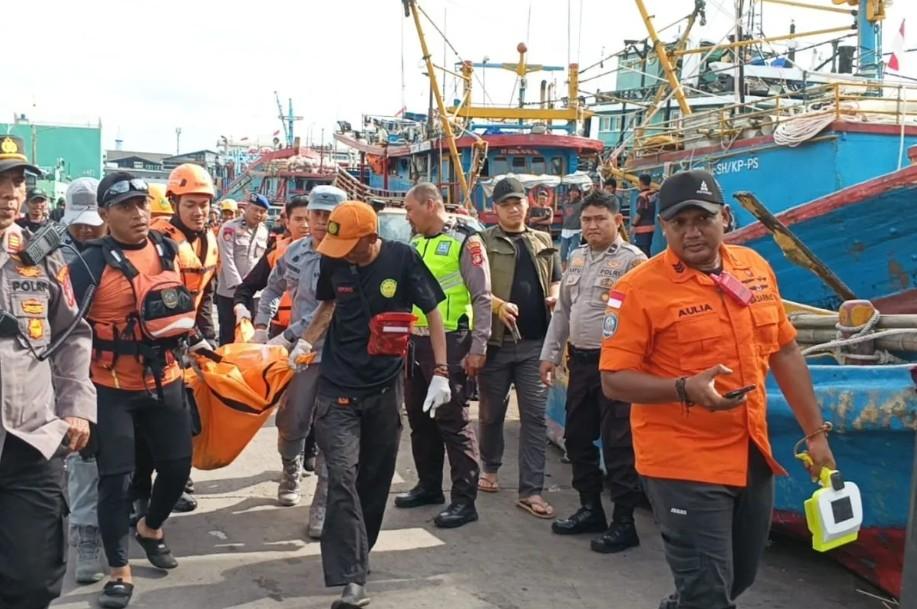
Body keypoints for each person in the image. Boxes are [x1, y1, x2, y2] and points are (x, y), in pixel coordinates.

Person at [600, 169, 837, 609]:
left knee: (737, 578)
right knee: (709, 593)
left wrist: (816, 435)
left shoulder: (755, 268)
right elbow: (613, 381)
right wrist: (684, 388)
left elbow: (784, 351)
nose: (692, 232)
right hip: (681, 462)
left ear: (725, 217)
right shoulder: (638, 290)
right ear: (664, 226)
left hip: (749, 452)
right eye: (679, 223)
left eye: (702, 219)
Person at [290, 201, 451, 609]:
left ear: (370, 237)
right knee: (342, 477)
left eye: (349, 245)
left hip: (384, 388)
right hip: (337, 388)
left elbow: (433, 310)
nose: (341, 252)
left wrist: (441, 371)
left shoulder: (402, 258)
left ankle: (359, 553)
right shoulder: (334, 259)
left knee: (374, 481)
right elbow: (327, 305)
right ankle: (352, 579)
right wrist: (307, 340)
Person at [69, 171, 203, 609]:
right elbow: (64, 330)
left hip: (165, 379)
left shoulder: (168, 248)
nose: (138, 213)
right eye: (125, 207)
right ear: (105, 214)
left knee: (179, 467)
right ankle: (119, 571)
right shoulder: (88, 265)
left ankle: (151, 527)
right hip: (111, 388)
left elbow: (182, 305)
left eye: (143, 204)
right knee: (116, 481)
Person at [0, 134, 97, 609]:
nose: (10, 192)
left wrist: (76, 407)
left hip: (31, 439)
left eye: (16, 181)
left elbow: (74, 335)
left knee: (35, 579)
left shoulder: (40, 257)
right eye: (1, 181)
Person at [539, 190, 647, 554]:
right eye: (586, 220)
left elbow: (647, 318)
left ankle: (624, 522)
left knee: (618, 446)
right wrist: (549, 355)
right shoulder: (577, 258)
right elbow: (563, 313)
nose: (592, 226)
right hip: (582, 363)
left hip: (617, 367)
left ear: (618, 220)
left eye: (600, 218)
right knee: (577, 440)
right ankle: (590, 509)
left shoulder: (635, 262)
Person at [242, 186, 346, 528]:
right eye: (316, 214)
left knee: (334, 430)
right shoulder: (294, 252)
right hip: (302, 359)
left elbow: (324, 307)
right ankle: (290, 469)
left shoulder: (348, 256)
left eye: (328, 216)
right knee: (292, 420)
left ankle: (323, 502)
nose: (320, 221)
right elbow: (272, 287)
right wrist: (261, 324)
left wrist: (286, 337)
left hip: (340, 356)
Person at [397, 182, 492, 529]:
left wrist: (479, 347)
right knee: (420, 419)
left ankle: (464, 500)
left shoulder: (466, 241)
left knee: (453, 421)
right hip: (415, 343)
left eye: (409, 208)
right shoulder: (416, 242)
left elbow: (482, 296)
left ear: (430, 205)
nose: (407, 216)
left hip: (452, 342)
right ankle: (429, 485)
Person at [129, 163, 221, 519]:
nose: (199, 212)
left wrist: (207, 338)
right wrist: (193, 337)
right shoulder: (158, 241)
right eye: (191, 204)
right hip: (151, 346)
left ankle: (175, 482)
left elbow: (206, 295)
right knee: (144, 428)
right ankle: (139, 491)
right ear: (173, 202)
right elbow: (157, 300)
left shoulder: (210, 241)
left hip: (185, 344)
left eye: (204, 204)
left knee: (182, 423)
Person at [476, 176, 560, 519]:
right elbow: (473, 287)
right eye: (506, 204)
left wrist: (555, 293)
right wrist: (498, 304)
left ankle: (531, 491)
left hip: (534, 345)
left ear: (527, 204)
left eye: (518, 202)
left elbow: (556, 274)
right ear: (495, 210)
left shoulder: (542, 239)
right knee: (491, 413)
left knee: (535, 419)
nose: (513, 208)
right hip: (496, 345)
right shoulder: (481, 241)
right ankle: (491, 467)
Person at [57, 177, 109, 585]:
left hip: (117, 373)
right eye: (80, 224)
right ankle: (85, 535)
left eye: (94, 222)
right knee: (83, 458)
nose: (88, 230)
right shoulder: (47, 255)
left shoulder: (131, 251)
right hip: (66, 375)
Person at [233, 193, 315, 342]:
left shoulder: (332, 255)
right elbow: (249, 286)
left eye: (309, 219)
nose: (305, 225)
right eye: (298, 219)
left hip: (316, 332)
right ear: (287, 222)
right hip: (280, 331)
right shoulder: (277, 253)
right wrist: (242, 308)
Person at [215, 192, 269, 345]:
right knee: (228, 334)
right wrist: (240, 288)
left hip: (254, 295)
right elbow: (227, 259)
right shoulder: (229, 228)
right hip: (229, 292)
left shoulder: (264, 231)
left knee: (250, 336)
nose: (258, 214)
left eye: (262, 211)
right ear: (246, 208)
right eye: (255, 209)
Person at [60, 177, 107, 264]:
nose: (85, 229)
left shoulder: (125, 245)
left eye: (92, 223)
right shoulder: (49, 247)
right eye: (78, 223)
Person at [630, 173, 656, 257]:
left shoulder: (642, 196)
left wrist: (633, 225)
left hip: (642, 230)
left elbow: (639, 212)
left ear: (640, 182)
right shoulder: (652, 194)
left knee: (641, 252)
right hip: (651, 227)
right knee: (647, 250)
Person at [559, 185, 583, 264]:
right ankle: (564, 272)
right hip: (565, 230)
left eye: (576, 191)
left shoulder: (582, 203)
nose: (574, 193)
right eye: (572, 191)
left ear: (579, 193)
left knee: (574, 253)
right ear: (569, 192)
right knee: (563, 254)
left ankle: (572, 270)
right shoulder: (565, 204)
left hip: (576, 231)